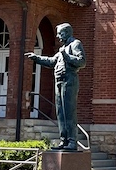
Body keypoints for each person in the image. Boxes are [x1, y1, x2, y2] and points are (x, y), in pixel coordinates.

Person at [25, 23, 85, 151]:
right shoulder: (63, 48)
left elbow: (81, 62)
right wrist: (37, 58)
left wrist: (66, 55)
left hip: (69, 80)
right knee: (60, 113)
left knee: (69, 112)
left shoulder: (75, 44)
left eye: (60, 33)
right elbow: (52, 62)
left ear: (67, 32)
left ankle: (72, 142)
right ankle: (64, 141)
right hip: (59, 81)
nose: (58, 36)